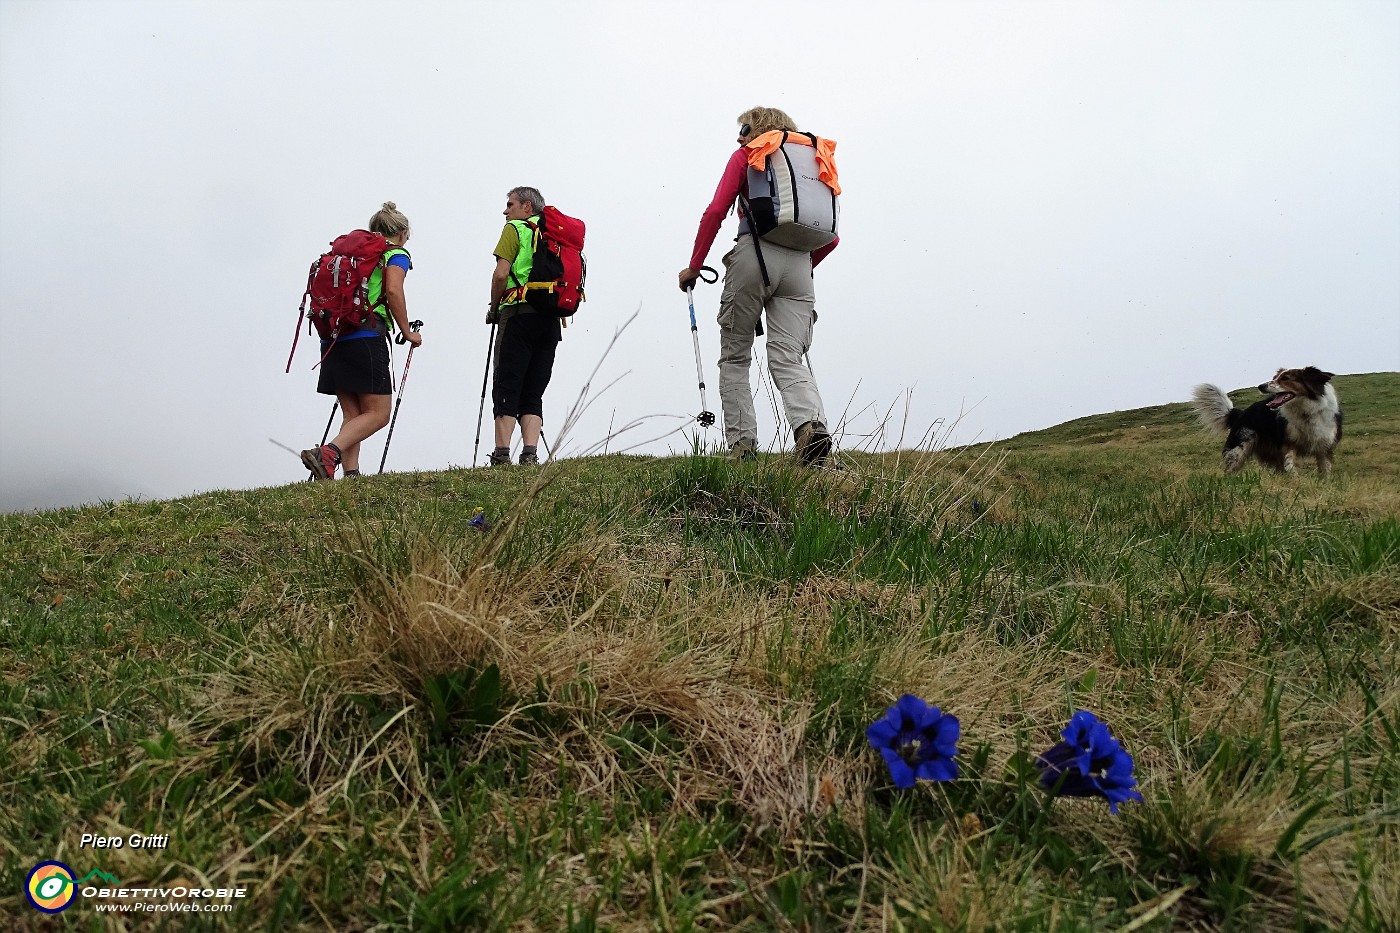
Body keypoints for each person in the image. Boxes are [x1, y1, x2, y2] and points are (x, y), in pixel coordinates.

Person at [678, 106, 838, 466]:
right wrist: (800, 265)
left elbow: (716, 211)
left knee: (735, 356)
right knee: (787, 356)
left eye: (745, 128)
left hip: (753, 255)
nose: (739, 136)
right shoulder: (814, 163)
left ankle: (743, 447)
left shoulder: (748, 156)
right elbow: (833, 239)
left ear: (761, 128)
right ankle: (810, 428)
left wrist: (694, 265)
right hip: (800, 263)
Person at [302, 202, 422, 480]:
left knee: (354, 414)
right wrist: (406, 330)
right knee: (379, 414)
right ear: (403, 233)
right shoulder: (395, 254)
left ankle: (350, 473)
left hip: (333, 337)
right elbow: (393, 289)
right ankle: (328, 453)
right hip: (367, 336)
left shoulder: (353, 256)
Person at [486, 186, 560, 466]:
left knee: (507, 381)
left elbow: (501, 274)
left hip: (518, 313)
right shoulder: (555, 235)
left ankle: (502, 454)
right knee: (533, 389)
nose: (506, 211)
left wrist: (494, 308)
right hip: (551, 320)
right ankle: (530, 453)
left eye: (510, 204)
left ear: (527, 207)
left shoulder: (515, 229)